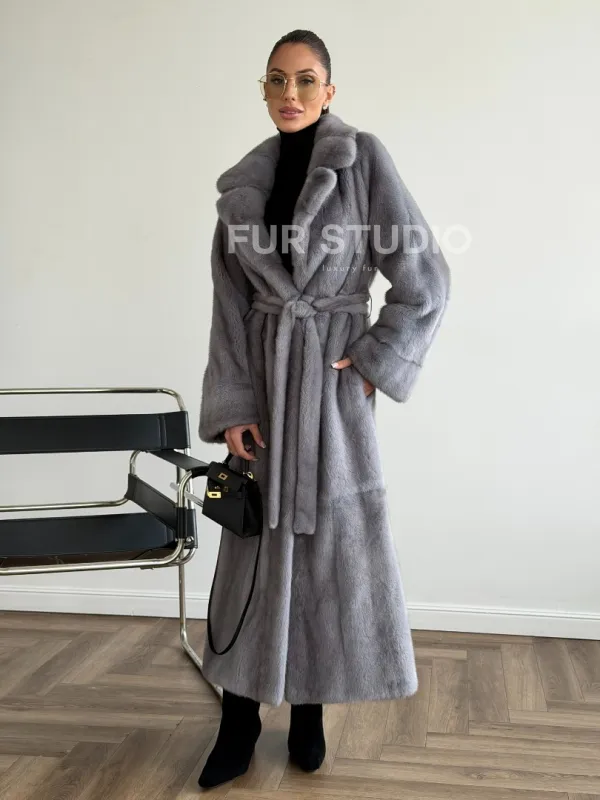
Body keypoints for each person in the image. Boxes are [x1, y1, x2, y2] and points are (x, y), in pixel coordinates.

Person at [197, 29, 450, 789]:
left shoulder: (361, 160)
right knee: (251, 547)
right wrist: (234, 402)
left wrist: (371, 362)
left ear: (329, 90)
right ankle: (239, 719)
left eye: (306, 79)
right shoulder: (243, 187)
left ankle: (310, 711)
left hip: (331, 392)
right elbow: (229, 307)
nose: (291, 93)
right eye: (277, 80)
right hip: (264, 390)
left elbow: (425, 276)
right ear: (264, 90)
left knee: (331, 550)